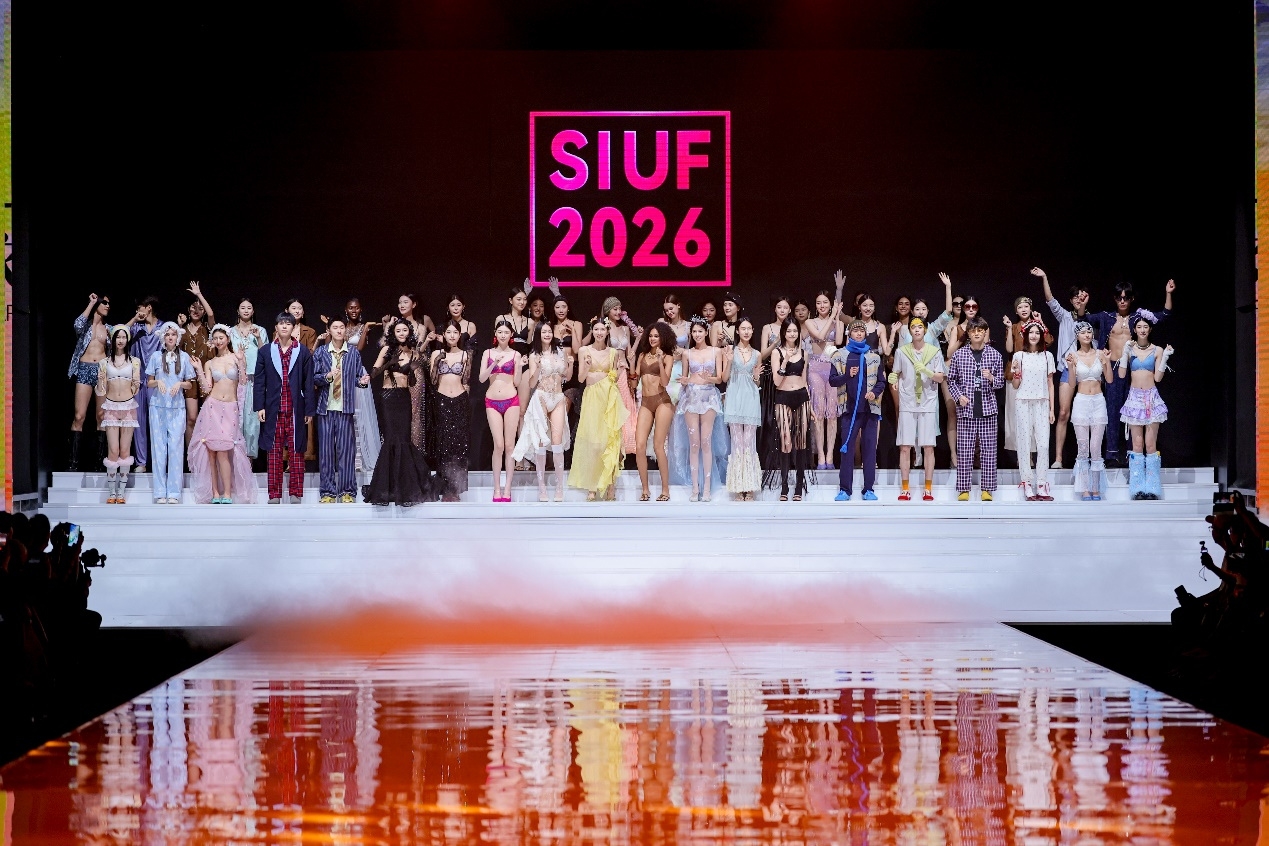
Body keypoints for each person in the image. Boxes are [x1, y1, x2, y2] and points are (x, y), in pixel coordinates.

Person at [1084, 279, 1174, 466]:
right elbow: (1085, 319)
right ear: (1114, 299)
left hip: (1133, 367)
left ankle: (1133, 453)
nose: (1122, 301)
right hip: (1113, 367)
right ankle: (1111, 454)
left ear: (1132, 298)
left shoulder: (1138, 318)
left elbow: (1164, 315)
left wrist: (1168, 293)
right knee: (1112, 410)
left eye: (1126, 297)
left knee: (1135, 412)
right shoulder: (1106, 317)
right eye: (1119, 297)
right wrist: (1082, 305)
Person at [365, 319, 436, 506]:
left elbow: (411, 383)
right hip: (388, 397)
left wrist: (411, 371)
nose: (402, 333)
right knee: (391, 439)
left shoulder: (413, 353)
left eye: (405, 330)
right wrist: (390, 363)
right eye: (398, 330)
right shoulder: (386, 350)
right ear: (393, 333)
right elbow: (374, 373)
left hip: (404, 397)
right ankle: (387, 489)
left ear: (409, 332)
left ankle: (405, 488)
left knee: (404, 439)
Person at [189, 326, 257, 504]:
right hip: (212, 407)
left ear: (228, 338)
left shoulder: (236, 357)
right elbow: (206, 389)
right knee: (211, 451)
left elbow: (243, 381)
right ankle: (215, 493)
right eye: (215, 338)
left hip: (230, 409)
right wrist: (198, 369)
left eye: (221, 337)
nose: (218, 341)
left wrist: (241, 362)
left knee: (225, 449)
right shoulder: (210, 363)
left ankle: (227, 492)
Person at [254, 312, 316, 504]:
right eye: (281, 323)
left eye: (288, 324)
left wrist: (309, 409)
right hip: (273, 408)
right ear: (276, 327)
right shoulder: (266, 351)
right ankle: (274, 494)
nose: (284, 326)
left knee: (296, 451)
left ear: (293, 328)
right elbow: (259, 381)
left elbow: (308, 382)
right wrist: (260, 406)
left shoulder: (302, 351)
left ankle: (295, 492)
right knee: (274, 451)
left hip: (295, 408)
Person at [1035, 267, 1092, 469]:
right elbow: (1050, 300)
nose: (1078, 299)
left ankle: (1088, 457)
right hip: (1068, 369)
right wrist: (1044, 277)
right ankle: (1058, 458)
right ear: (1070, 300)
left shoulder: (1091, 320)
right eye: (1075, 297)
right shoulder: (1065, 317)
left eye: (1082, 296)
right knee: (1063, 413)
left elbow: (1084, 319)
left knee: (1087, 416)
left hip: (1088, 370)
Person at [511, 322, 573, 501]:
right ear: (538, 334)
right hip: (541, 397)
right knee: (540, 443)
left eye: (549, 331)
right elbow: (531, 383)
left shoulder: (560, 352)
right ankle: (542, 488)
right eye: (543, 331)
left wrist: (570, 364)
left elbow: (567, 377)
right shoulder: (534, 355)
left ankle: (560, 488)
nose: (547, 334)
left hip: (558, 397)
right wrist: (537, 367)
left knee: (557, 442)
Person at [569, 318, 629, 501]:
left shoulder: (613, 352)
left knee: (609, 441)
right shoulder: (584, 350)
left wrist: (621, 370)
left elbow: (614, 377)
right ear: (592, 331)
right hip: (592, 397)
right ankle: (592, 486)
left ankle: (610, 485)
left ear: (607, 331)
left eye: (602, 329)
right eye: (596, 329)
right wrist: (586, 367)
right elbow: (580, 379)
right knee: (592, 442)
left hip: (609, 397)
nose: (599, 333)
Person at [313, 319, 371, 503]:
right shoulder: (321, 352)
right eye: (335, 328)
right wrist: (327, 376)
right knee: (326, 452)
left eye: (341, 327)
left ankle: (347, 491)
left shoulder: (352, 352)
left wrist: (362, 382)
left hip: (345, 408)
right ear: (329, 330)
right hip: (325, 408)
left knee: (346, 451)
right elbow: (313, 377)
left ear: (345, 330)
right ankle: (327, 492)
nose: (339, 330)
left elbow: (357, 377)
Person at [671, 317, 728, 502]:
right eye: (694, 332)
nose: (697, 335)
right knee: (694, 443)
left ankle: (707, 489)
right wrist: (686, 381)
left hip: (709, 396)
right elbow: (685, 378)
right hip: (691, 397)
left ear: (706, 332)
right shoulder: (687, 353)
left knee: (706, 442)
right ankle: (695, 488)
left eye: (700, 331)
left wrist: (708, 378)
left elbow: (720, 379)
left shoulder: (716, 351)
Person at [947, 316, 1003, 501]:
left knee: (989, 452)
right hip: (966, 411)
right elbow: (951, 380)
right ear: (968, 334)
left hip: (988, 410)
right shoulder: (959, 355)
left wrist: (992, 378)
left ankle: (987, 489)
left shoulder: (995, 355)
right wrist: (958, 397)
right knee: (965, 451)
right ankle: (964, 489)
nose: (977, 333)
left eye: (980, 330)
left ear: (985, 333)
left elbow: (1000, 382)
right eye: (973, 331)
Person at [1117, 316, 1173, 500]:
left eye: (1145, 327)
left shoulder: (1157, 350)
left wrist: (1165, 357)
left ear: (1150, 329)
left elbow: (1158, 378)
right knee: (1137, 445)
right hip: (1134, 399)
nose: (1142, 330)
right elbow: (1122, 374)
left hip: (1151, 399)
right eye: (1139, 326)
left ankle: (1153, 488)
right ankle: (1137, 488)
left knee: (1150, 445)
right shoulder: (1129, 348)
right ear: (1134, 329)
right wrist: (1125, 353)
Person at [888, 318, 944, 501]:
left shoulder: (934, 351)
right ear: (909, 331)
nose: (917, 330)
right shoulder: (901, 352)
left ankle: (928, 488)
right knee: (905, 447)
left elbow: (940, 377)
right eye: (914, 327)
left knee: (928, 446)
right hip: (908, 402)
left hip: (928, 402)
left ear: (925, 330)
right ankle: (905, 488)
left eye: (920, 327)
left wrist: (927, 371)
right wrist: (893, 379)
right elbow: (896, 372)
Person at [829, 320, 885, 501]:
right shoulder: (839, 355)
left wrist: (874, 392)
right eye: (855, 331)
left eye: (862, 331)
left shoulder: (874, 357)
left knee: (869, 450)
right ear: (849, 334)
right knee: (847, 450)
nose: (859, 333)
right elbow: (832, 380)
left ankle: (868, 489)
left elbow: (881, 381)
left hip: (869, 410)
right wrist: (847, 375)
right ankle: (845, 489)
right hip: (849, 409)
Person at [145, 322, 197, 504]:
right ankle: (160, 492)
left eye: (173, 334)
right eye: (167, 335)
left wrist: (180, 384)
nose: (170, 337)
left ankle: (174, 492)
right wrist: (157, 382)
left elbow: (190, 383)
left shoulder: (184, 357)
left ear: (177, 337)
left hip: (177, 408)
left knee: (175, 448)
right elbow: (149, 381)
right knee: (159, 449)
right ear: (163, 337)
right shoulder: (155, 357)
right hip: (158, 407)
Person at [330, 297, 381, 475]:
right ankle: (345, 458)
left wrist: (365, 329)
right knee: (343, 416)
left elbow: (358, 348)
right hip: (340, 372)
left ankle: (359, 459)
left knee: (358, 416)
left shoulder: (362, 327)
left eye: (357, 308)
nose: (354, 310)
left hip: (356, 371)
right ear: (346, 310)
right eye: (351, 308)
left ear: (360, 310)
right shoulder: (341, 327)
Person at [765, 316, 812, 501]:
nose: (792, 334)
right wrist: (785, 361)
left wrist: (810, 404)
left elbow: (805, 380)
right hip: (783, 397)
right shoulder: (777, 352)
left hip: (802, 397)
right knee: (786, 441)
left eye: (795, 331)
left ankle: (799, 486)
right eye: (789, 331)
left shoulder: (804, 353)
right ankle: (784, 487)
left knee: (801, 442)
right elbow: (776, 382)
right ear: (783, 332)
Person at [1001, 297, 1053, 466]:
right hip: (1017, 375)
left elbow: (1049, 341)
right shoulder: (1015, 327)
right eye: (1020, 307)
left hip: (1035, 377)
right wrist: (1009, 328)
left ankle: (1031, 455)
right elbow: (1009, 349)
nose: (1023, 309)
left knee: (1035, 419)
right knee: (1017, 418)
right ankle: (1022, 455)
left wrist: (1041, 322)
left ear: (1031, 308)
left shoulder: (1036, 326)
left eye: (1026, 306)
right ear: (1016, 311)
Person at [586, 296, 640, 458]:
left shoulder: (625, 329)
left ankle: (623, 451)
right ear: (607, 310)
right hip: (610, 373)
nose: (618, 312)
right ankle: (611, 452)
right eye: (615, 309)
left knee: (625, 409)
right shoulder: (604, 329)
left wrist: (638, 339)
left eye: (619, 308)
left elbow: (630, 354)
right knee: (612, 410)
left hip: (624, 373)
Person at [1065, 321, 1113, 501]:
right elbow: (1071, 384)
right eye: (1083, 332)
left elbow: (1109, 379)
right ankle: (1085, 488)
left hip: (1098, 401)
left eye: (1089, 332)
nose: (1086, 335)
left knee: (1096, 447)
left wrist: (1107, 362)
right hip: (1081, 402)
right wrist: (1071, 367)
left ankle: (1096, 488)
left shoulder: (1100, 354)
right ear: (1077, 336)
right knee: (1083, 448)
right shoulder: (1074, 356)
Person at [1010, 320, 1057, 501]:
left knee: (1043, 444)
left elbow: (1050, 383)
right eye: (1031, 332)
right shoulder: (1019, 355)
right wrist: (1016, 372)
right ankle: (1027, 483)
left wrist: (1052, 409)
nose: (1034, 335)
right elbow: (1015, 385)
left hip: (1042, 402)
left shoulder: (1047, 356)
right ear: (1025, 335)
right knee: (1024, 444)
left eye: (1037, 332)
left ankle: (1042, 484)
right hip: (1023, 402)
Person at [95, 326, 141, 503]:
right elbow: (101, 391)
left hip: (128, 407)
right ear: (113, 340)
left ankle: (121, 493)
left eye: (123, 337)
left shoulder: (134, 361)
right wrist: (100, 382)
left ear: (127, 340)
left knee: (124, 450)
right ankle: (112, 492)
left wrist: (136, 383)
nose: (120, 340)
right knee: (113, 450)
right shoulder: (104, 362)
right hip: (111, 406)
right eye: (117, 337)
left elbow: (136, 389)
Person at [479, 320, 524, 502]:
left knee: (509, 446)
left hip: (511, 400)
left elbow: (517, 382)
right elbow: (482, 379)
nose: (503, 335)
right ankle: (496, 488)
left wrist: (519, 367)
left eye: (506, 332)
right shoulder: (488, 353)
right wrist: (493, 364)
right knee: (498, 445)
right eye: (500, 332)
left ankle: (508, 488)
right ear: (495, 334)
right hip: (492, 401)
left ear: (511, 335)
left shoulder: (516, 354)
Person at [630, 321, 675, 501]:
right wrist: (632, 363)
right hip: (646, 402)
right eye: (650, 335)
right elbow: (634, 383)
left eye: (656, 336)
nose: (653, 338)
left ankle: (665, 490)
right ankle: (645, 489)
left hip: (662, 401)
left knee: (658, 446)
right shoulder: (642, 355)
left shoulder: (668, 357)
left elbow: (665, 382)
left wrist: (660, 363)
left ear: (663, 338)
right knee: (639, 445)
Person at [67, 292, 111, 471]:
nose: (108, 306)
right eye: (105, 302)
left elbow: (124, 331)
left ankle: (99, 464)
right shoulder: (85, 326)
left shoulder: (108, 329)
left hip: (101, 371)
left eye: (109, 303)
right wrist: (91, 303)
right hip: (84, 369)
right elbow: (76, 324)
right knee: (79, 416)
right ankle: (73, 463)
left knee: (101, 416)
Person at [430, 321, 473, 502]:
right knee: (443, 444)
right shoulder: (436, 354)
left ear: (459, 335)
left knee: (459, 445)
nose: (452, 335)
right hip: (442, 400)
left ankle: (455, 488)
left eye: (455, 332)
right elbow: (433, 380)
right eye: (449, 332)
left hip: (460, 400)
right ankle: (444, 487)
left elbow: (466, 380)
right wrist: (436, 363)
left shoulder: (465, 355)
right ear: (444, 335)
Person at [804, 288, 844, 470]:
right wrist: (832, 317)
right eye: (819, 302)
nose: (822, 305)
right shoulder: (810, 322)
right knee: (819, 413)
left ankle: (830, 456)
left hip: (833, 368)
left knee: (832, 414)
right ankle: (820, 456)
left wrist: (837, 318)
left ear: (831, 304)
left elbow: (839, 341)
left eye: (825, 302)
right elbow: (820, 337)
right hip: (815, 369)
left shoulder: (837, 322)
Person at [176, 281, 217, 460]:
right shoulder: (182, 330)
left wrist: (199, 295)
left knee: (208, 418)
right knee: (191, 418)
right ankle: (192, 457)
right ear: (188, 309)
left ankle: (208, 456)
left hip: (206, 376)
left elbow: (211, 314)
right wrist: (179, 327)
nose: (196, 310)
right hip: (189, 378)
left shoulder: (208, 328)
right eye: (193, 307)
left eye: (200, 308)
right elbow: (175, 349)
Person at [723, 317, 762, 501]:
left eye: (749, 328)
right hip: (734, 397)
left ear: (753, 331)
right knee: (737, 443)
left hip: (751, 398)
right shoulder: (729, 351)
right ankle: (739, 487)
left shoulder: (757, 354)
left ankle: (750, 487)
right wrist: (729, 361)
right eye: (743, 328)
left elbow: (757, 382)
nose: (746, 332)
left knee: (749, 443)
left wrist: (756, 376)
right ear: (737, 331)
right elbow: (724, 378)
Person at [227, 298, 270, 460]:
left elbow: (266, 355)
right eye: (242, 307)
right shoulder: (230, 332)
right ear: (238, 311)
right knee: (235, 421)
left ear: (253, 311)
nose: (246, 310)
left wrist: (258, 338)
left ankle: (248, 464)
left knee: (252, 424)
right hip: (235, 381)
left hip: (254, 381)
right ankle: (234, 463)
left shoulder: (260, 330)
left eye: (249, 308)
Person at [126, 296, 163, 473]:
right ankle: (141, 462)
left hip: (155, 381)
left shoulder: (162, 327)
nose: (137, 311)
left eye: (140, 308)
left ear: (148, 307)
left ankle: (158, 460)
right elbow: (118, 334)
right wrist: (135, 319)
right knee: (138, 422)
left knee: (157, 422)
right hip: (138, 380)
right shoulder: (136, 327)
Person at [759, 295, 792, 469]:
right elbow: (762, 354)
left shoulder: (793, 328)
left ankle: (787, 461)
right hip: (770, 377)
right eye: (779, 307)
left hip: (789, 376)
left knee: (787, 419)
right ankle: (770, 461)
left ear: (790, 310)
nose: (782, 310)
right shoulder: (768, 328)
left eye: (785, 307)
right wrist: (777, 342)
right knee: (771, 418)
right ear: (775, 309)